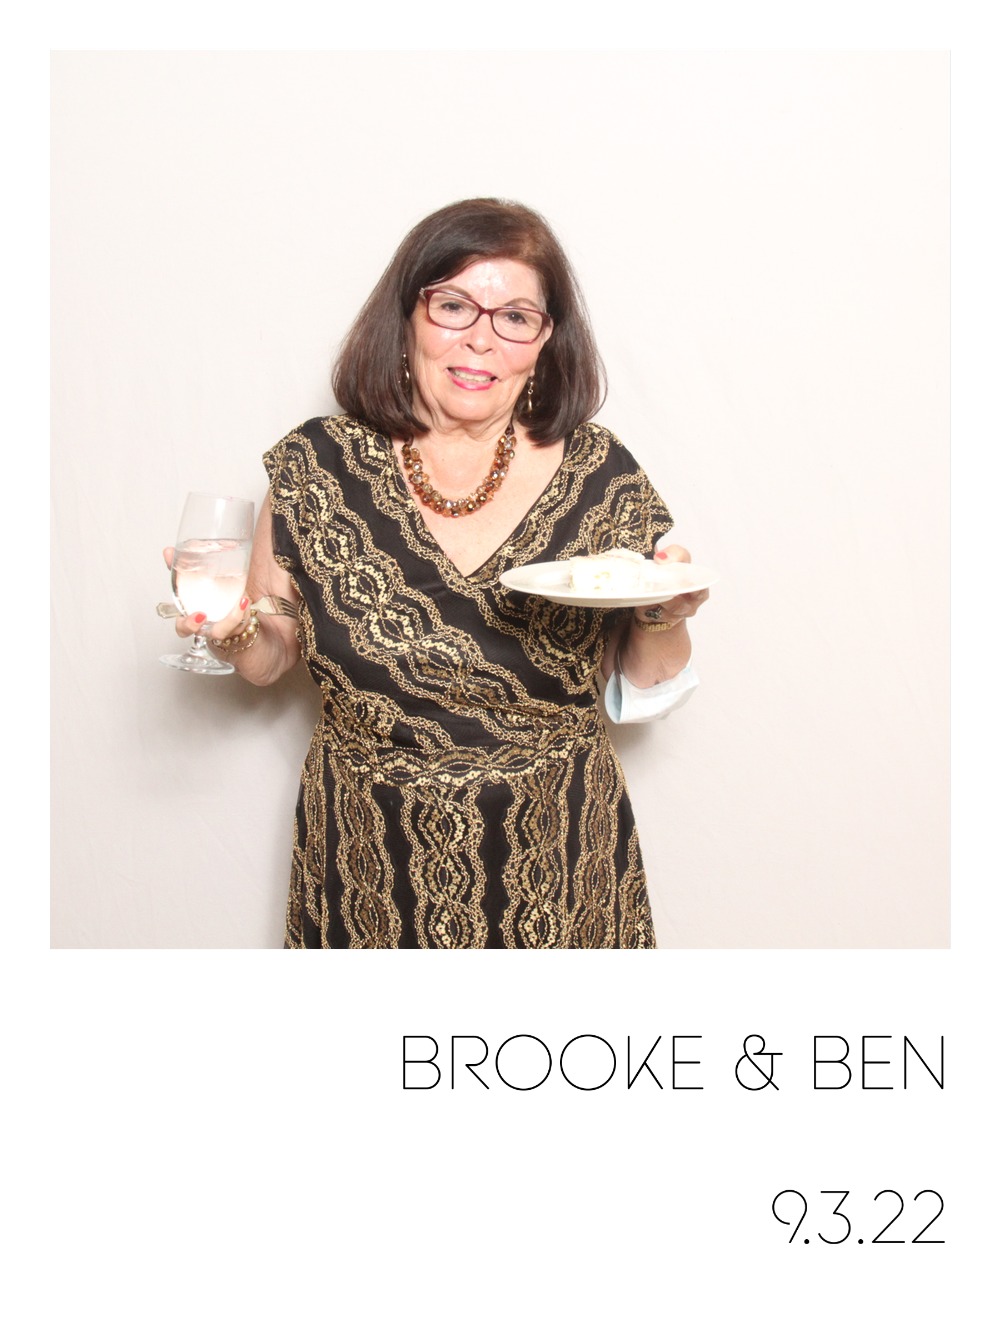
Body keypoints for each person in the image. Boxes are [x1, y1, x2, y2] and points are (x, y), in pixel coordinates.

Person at [165, 198, 709, 949]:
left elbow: (643, 686)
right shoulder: (316, 466)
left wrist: (662, 613)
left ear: (545, 340)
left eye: (514, 317)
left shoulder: (599, 473)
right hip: (366, 859)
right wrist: (231, 634)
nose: (481, 338)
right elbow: (272, 654)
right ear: (408, 317)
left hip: (558, 859)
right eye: (453, 305)